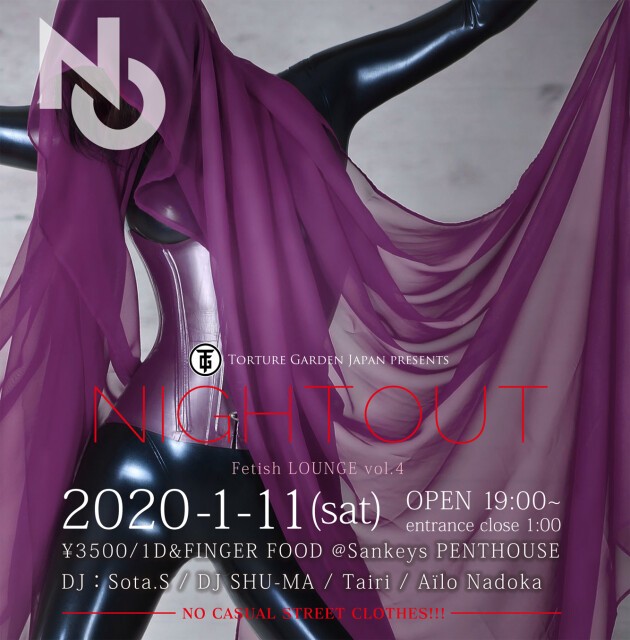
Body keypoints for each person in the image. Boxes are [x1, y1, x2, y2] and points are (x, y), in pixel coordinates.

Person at [0, 1, 628, 639]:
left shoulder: (309, 102)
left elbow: (473, 17)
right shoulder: (113, 141)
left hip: (259, 478)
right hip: (136, 470)